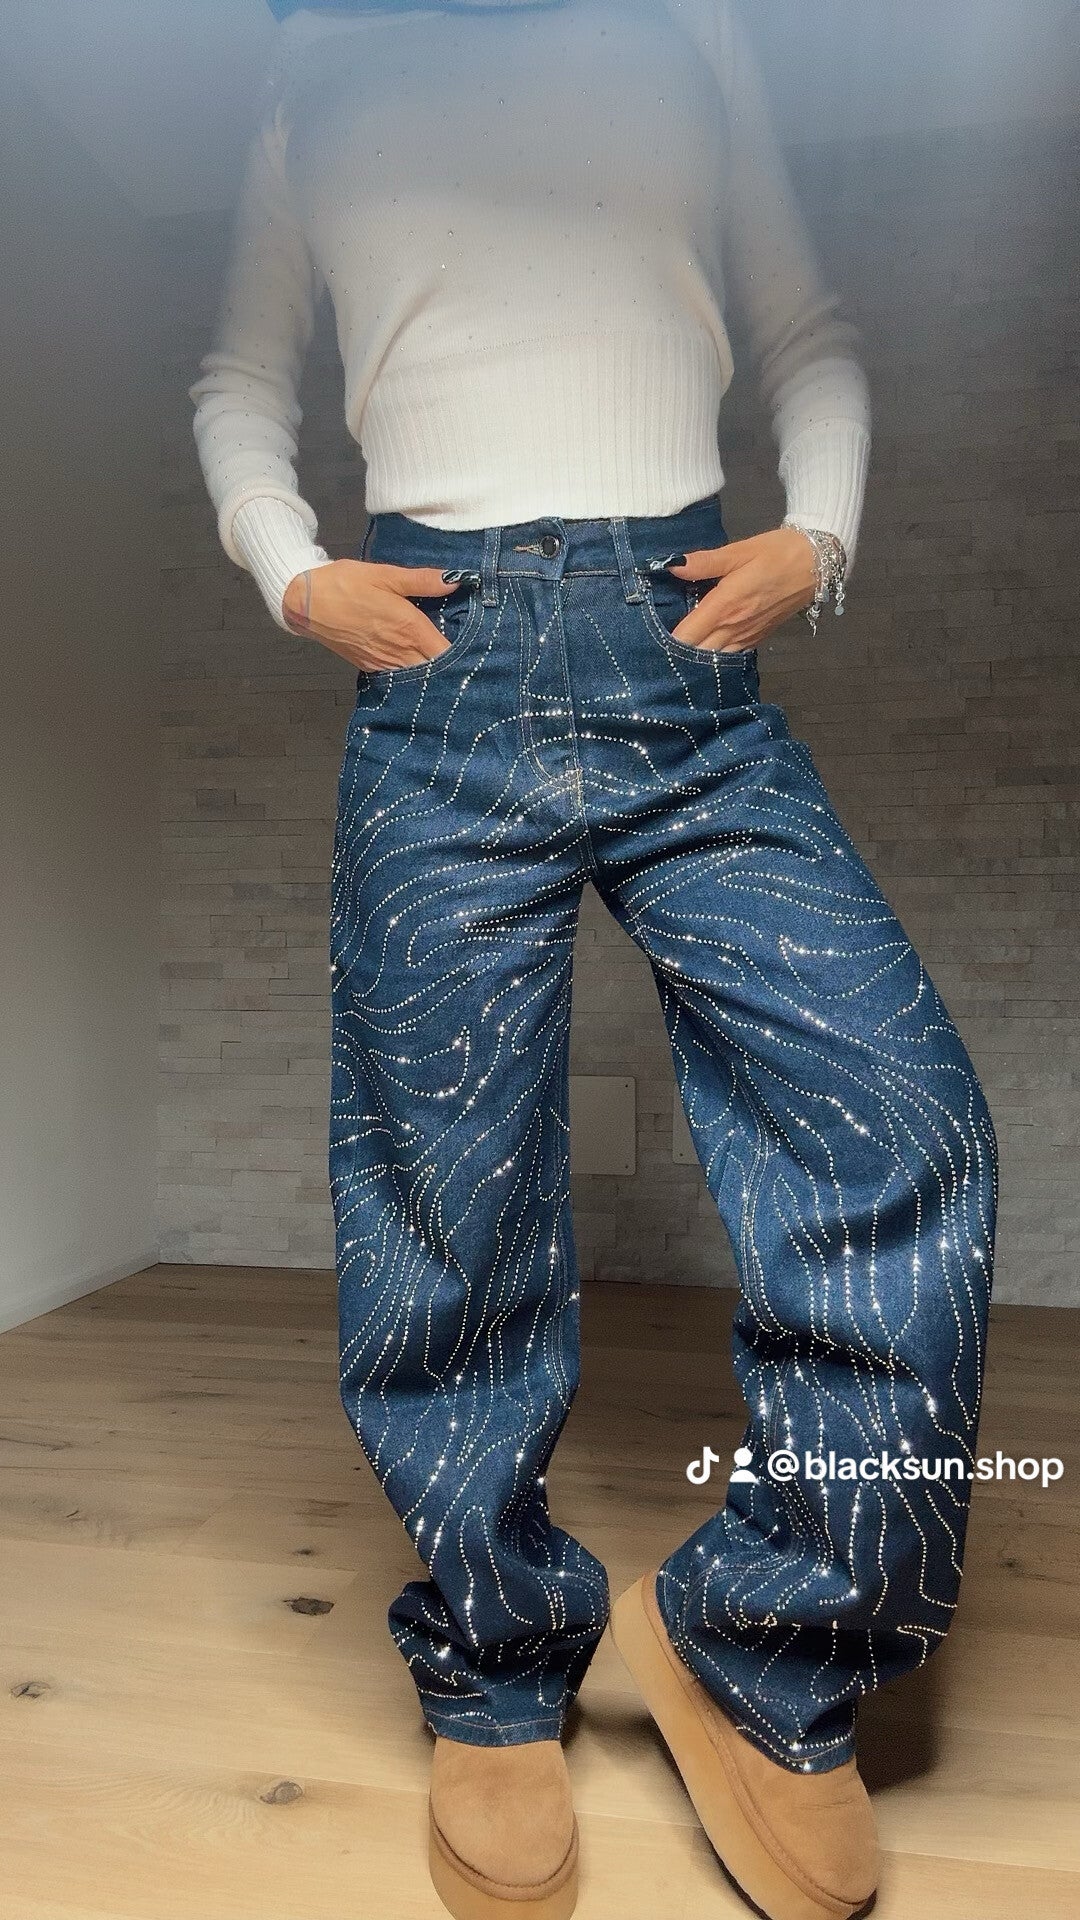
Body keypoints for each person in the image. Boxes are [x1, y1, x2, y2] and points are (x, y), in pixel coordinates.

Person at [190, 4, 998, 1917]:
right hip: (437, 677)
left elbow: (810, 333)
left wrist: (821, 535)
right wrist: (292, 570)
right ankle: (493, 1664)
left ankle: (767, 1650)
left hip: (684, 663)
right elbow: (238, 375)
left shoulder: (690, 21)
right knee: (445, 1198)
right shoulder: (313, 57)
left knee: (904, 1122)